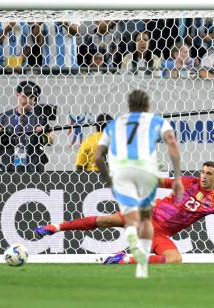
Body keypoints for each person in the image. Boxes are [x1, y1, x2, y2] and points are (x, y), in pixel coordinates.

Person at [35, 161, 214, 264]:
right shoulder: (188, 182)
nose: (204, 176)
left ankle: (124, 259)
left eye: (209, 174)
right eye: (203, 172)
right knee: (107, 220)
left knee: (175, 260)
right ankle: (56, 227)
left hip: (161, 233)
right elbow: (160, 182)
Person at [92, 90, 183, 278]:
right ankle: (141, 266)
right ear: (147, 105)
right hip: (146, 170)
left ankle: (131, 231)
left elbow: (98, 157)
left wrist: (108, 179)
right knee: (146, 218)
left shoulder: (114, 124)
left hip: (121, 171)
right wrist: (177, 176)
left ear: (129, 105)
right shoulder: (156, 120)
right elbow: (172, 144)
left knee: (130, 217)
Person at [0, 81, 56, 172]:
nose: (28, 101)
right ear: (17, 94)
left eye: (32, 98)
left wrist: (43, 133)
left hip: (34, 169)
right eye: (24, 97)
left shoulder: (40, 118)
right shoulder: (4, 117)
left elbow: (50, 141)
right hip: (9, 169)